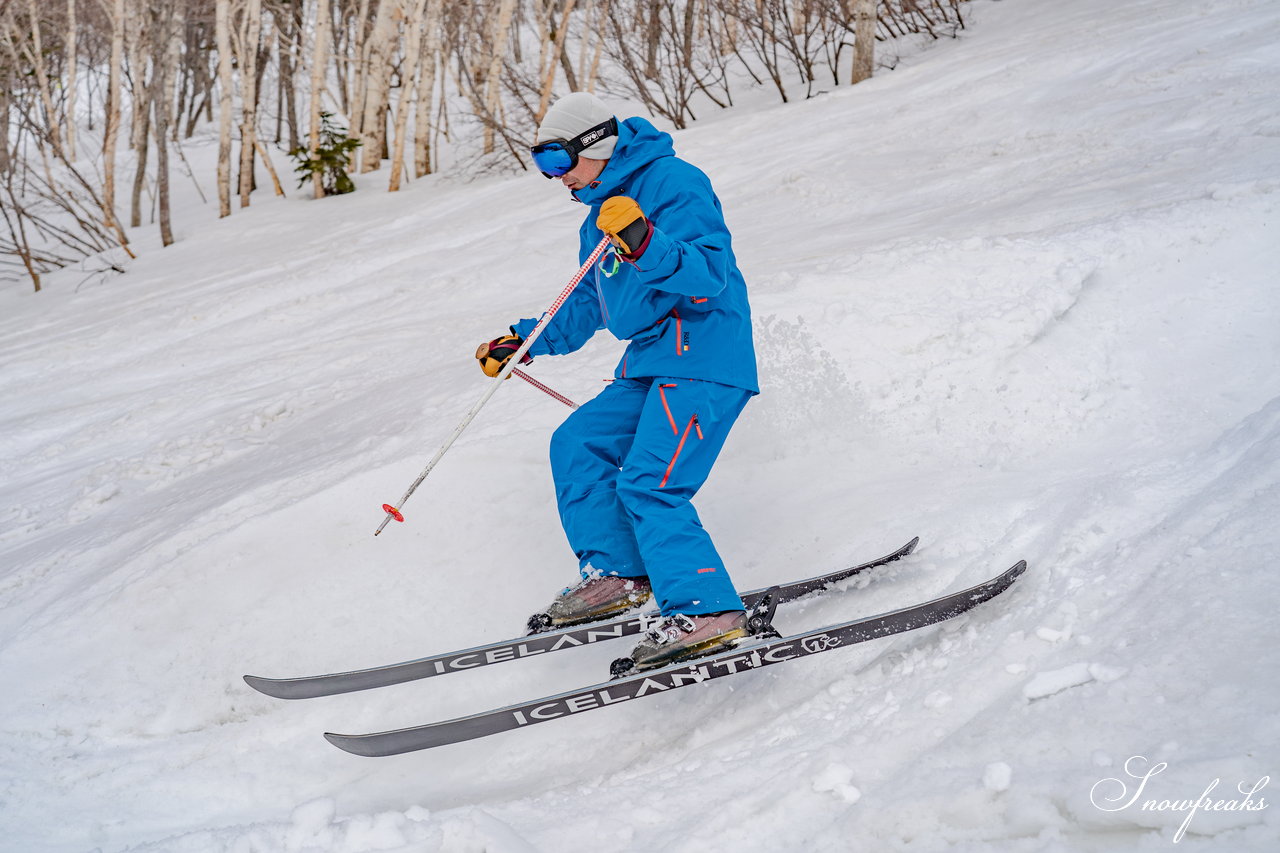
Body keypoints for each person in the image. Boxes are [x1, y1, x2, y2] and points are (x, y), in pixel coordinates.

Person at [475, 92, 759, 672]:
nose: (554, 177)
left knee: (650, 483)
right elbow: (587, 303)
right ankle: (621, 575)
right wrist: (523, 341)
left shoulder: (674, 182)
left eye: (559, 161)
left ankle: (708, 610)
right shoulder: (598, 215)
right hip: (650, 364)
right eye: (542, 165)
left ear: (596, 145)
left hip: (703, 359)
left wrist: (645, 242)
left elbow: (710, 272)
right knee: (578, 442)